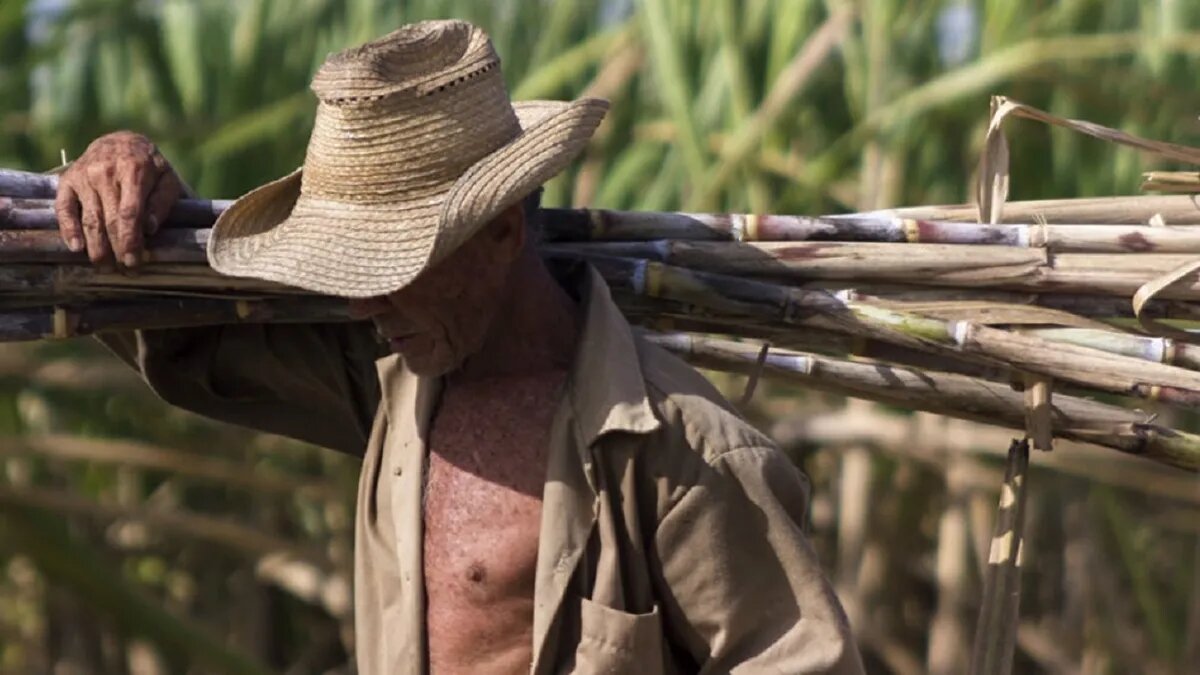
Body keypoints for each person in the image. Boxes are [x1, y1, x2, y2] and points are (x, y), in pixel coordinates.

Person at [52, 19, 863, 675]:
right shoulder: (387, 386)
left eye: (394, 268)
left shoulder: (681, 456)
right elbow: (186, 343)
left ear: (502, 230)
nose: (365, 301)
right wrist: (125, 177)